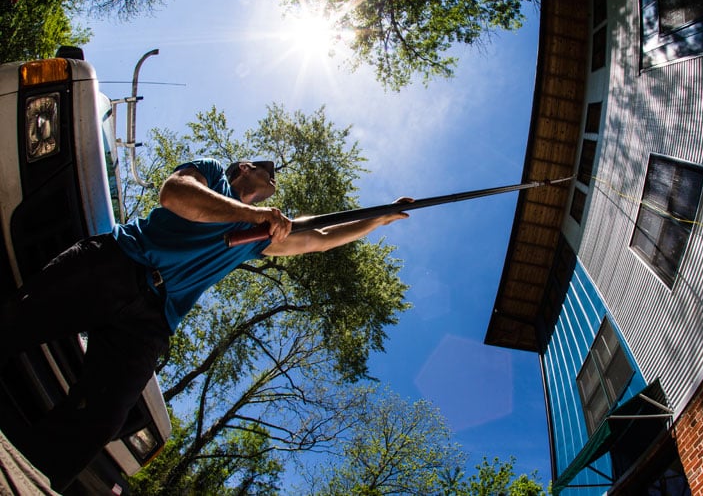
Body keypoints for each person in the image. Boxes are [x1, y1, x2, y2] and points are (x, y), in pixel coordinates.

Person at [0, 157, 410, 492]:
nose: (273, 176)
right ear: (243, 167)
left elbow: (319, 234)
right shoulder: (212, 174)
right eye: (266, 168)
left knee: (101, 419)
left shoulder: (257, 237)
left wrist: (379, 219)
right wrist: (255, 214)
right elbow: (175, 194)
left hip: (151, 322)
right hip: (119, 264)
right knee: (17, 322)